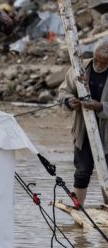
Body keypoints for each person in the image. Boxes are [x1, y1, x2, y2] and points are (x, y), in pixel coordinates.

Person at [58, 39, 108, 207]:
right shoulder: (81, 69)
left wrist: (101, 106)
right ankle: (77, 207)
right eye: (97, 60)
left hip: (107, 133)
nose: (99, 64)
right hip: (84, 130)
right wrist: (69, 101)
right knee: (82, 170)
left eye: (104, 62)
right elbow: (64, 90)